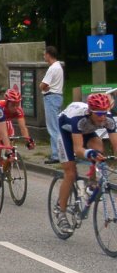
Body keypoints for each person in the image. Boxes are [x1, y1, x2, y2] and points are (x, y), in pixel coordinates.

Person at [54, 93, 117, 233]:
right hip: (67, 131)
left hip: (87, 132)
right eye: (99, 114)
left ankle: (91, 183)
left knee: (99, 149)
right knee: (70, 173)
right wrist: (89, 153)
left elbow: (115, 144)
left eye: (105, 112)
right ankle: (61, 213)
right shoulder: (79, 119)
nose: (102, 117)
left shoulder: (108, 118)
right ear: (90, 112)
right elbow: (78, 149)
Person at [40, 45, 64, 164]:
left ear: (49, 54)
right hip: (58, 96)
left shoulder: (52, 68)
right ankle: (60, 152)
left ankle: (56, 155)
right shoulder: (59, 66)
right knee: (57, 126)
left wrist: (43, 87)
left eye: (45, 54)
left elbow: (43, 85)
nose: (44, 56)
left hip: (51, 97)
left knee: (52, 127)